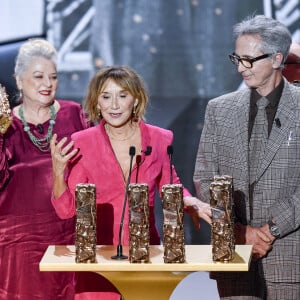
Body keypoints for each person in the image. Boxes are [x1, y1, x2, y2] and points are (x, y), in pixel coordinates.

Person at [50, 65, 212, 299]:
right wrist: (58, 173)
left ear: (135, 100)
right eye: (106, 97)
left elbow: (170, 185)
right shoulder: (82, 143)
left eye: (122, 96)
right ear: (97, 103)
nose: (114, 105)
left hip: (145, 255)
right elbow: (66, 211)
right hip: (98, 260)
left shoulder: (159, 139)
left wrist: (190, 201)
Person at [193, 15, 300, 299]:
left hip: (290, 258)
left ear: (277, 59)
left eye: (249, 60)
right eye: (237, 59)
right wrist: (239, 232)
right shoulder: (220, 109)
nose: (241, 67)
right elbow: (204, 179)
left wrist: (270, 229)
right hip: (233, 257)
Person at [0, 38, 89, 299]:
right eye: (38, 76)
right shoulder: (6, 125)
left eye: (53, 77)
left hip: (68, 235)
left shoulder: (74, 115)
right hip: (17, 243)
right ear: (19, 80)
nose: (47, 84)